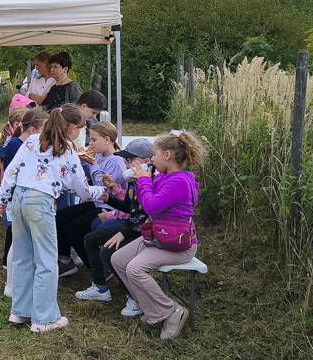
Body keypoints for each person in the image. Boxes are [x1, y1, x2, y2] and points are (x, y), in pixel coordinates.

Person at [0, 104, 104, 333]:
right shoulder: (67, 151)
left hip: (19, 199)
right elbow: (82, 190)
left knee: (23, 257)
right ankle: (44, 318)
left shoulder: (33, 141)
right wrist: (101, 191)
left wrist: (2, 199)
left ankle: (20, 311)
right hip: (40, 202)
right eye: (79, 128)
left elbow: (12, 170)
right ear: (72, 127)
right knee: (46, 261)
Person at [110, 131, 204, 340]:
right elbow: (149, 202)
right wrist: (141, 180)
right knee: (118, 260)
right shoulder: (165, 176)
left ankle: (172, 312)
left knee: (135, 269)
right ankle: (153, 310)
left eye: (154, 154)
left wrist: (143, 181)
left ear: (168, 156)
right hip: (160, 239)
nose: (151, 159)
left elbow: (151, 206)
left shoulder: (179, 182)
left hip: (179, 246)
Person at [75, 138, 153, 312]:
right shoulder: (134, 181)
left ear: (147, 162)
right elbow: (128, 207)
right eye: (125, 160)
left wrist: (124, 232)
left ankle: (134, 296)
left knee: (108, 252)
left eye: (131, 160)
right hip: (131, 222)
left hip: (143, 228)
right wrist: (108, 197)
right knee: (91, 239)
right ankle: (100, 287)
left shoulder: (149, 182)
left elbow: (145, 215)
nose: (126, 164)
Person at [56, 121, 125, 278]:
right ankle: (65, 260)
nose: (91, 143)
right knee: (60, 217)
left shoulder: (116, 162)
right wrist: (83, 160)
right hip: (95, 203)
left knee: (74, 229)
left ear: (107, 140)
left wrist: (93, 164)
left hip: (109, 207)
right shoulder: (100, 156)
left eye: (94, 140)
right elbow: (90, 175)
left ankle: (101, 269)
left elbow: (103, 186)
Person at [0, 107, 48, 297]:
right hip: (19, 196)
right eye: (45, 128)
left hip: (16, 196)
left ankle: (13, 278)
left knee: (17, 238)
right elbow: (15, 173)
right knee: (17, 240)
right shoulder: (20, 146)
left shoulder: (16, 142)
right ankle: (13, 281)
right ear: (33, 129)